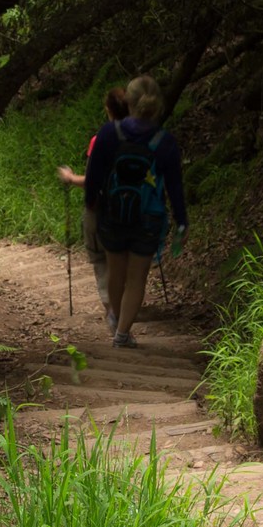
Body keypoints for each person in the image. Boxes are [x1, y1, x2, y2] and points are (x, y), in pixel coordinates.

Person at [84, 73, 188, 348]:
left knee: (116, 272)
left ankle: (118, 323)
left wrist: (91, 204)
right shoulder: (164, 141)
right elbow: (175, 186)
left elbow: (94, 175)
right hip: (149, 215)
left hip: (113, 213)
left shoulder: (109, 133)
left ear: (127, 101)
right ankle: (122, 334)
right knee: (137, 277)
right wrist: (181, 221)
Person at [58, 87, 131, 326]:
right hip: (130, 207)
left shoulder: (100, 140)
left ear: (108, 109)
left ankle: (112, 310)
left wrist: (69, 178)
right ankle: (127, 306)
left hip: (100, 208)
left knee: (100, 258)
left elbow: (92, 180)